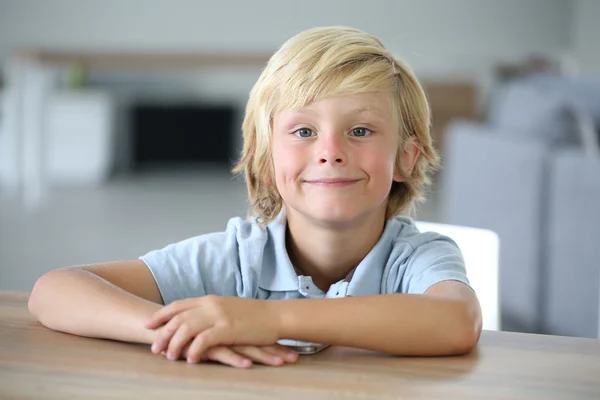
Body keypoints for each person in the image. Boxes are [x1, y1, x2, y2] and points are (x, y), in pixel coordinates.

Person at [28, 26, 482, 369]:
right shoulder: (236, 257)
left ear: (406, 158)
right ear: (265, 160)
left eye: (360, 131)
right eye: (304, 131)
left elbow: (456, 321)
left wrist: (269, 320)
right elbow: (55, 290)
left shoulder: (417, 257)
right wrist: (183, 331)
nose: (330, 153)